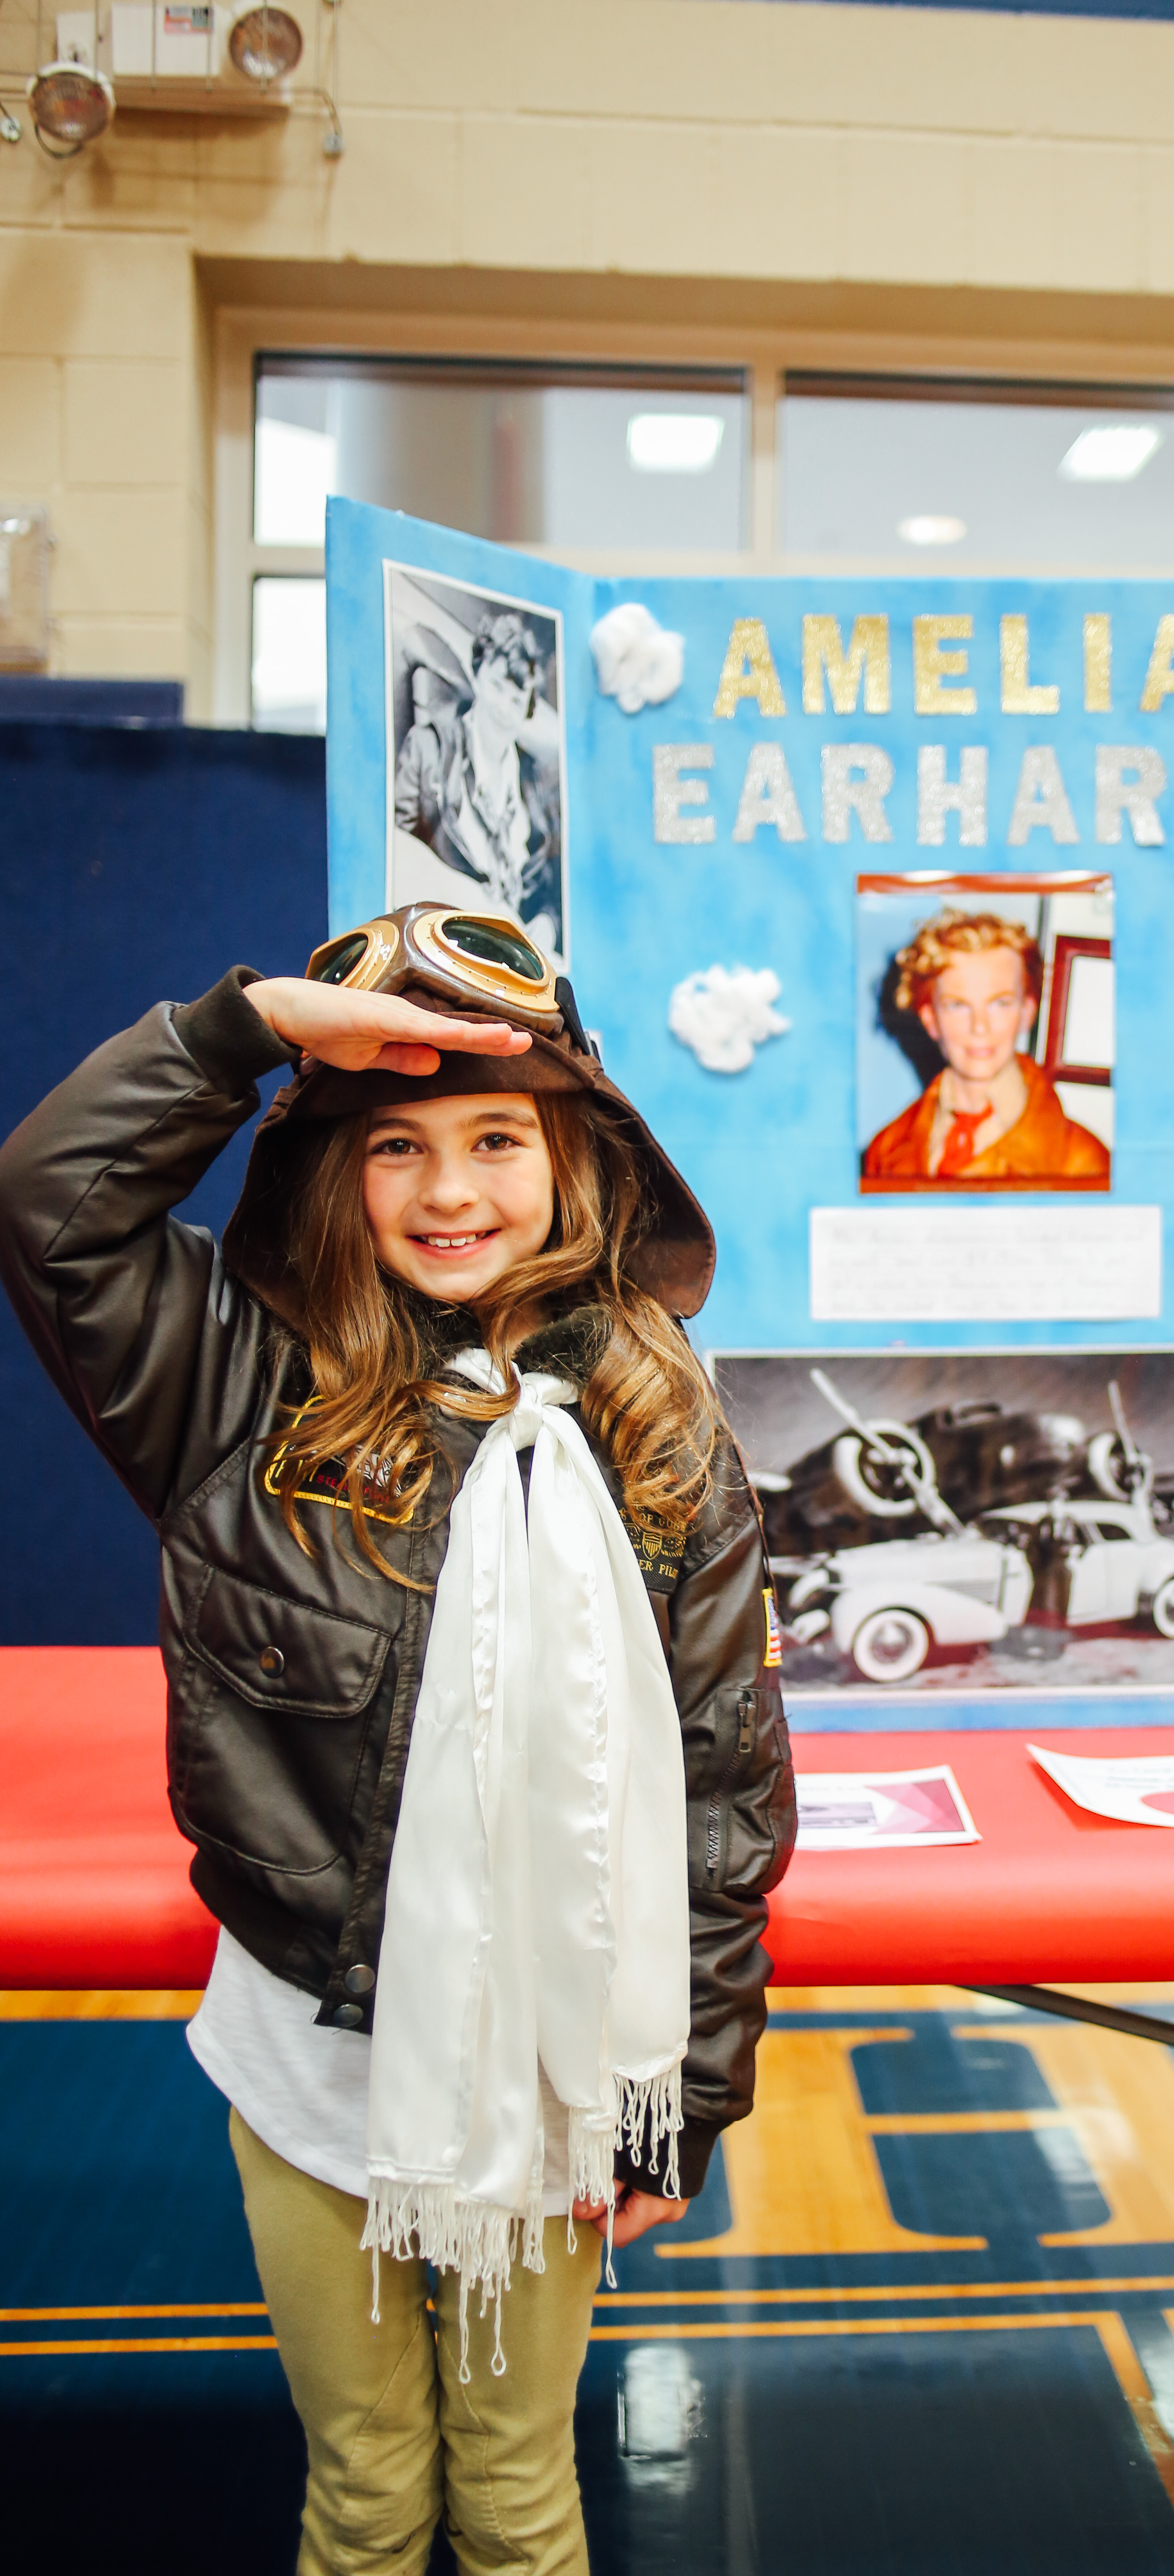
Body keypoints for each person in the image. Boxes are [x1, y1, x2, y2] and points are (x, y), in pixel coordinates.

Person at [0, 904, 795, 2576]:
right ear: (330, 1174)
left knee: (516, 2501)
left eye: (498, 1136)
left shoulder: (660, 1420)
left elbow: (724, 1782)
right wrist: (252, 1029)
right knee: (364, 2494)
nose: (452, 1191)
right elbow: (52, 1203)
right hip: (312, 2068)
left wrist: (686, 2096)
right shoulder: (232, 1388)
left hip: (554, 2063)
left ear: (577, 1164)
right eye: (397, 1145)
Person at [861, 910, 1110, 1187]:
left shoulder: (1084, 1163)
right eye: (958, 1005)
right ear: (931, 1019)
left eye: (1000, 1004)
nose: (980, 1027)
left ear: (1027, 1012)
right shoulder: (885, 1151)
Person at [393, 610, 564, 959]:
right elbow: (396, 856)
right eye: (497, 686)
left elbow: (553, 891)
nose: (503, 708)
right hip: (443, 952)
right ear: (477, 674)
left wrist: (547, 925)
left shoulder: (533, 784)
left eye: (517, 700)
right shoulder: (429, 748)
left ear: (528, 709)